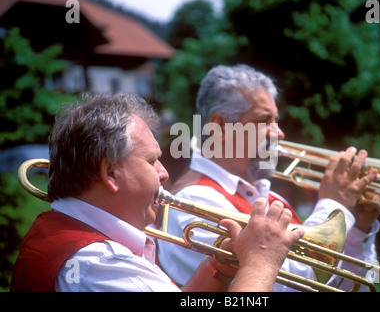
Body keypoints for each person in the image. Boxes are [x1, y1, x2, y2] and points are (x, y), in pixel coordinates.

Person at [9, 93, 304, 292]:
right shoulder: (98, 263)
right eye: (152, 161)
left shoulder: (67, 234)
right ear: (111, 173)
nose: (164, 173)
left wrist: (219, 268)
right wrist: (261, 263)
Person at [156, 64, 380, 292]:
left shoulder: (271, 198)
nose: (279, 133)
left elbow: (350, 286)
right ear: (221, 127)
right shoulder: (194, 200)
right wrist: (336, 207)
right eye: (264, 121)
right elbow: (283, 286)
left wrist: (356, 229)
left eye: (276, 120)